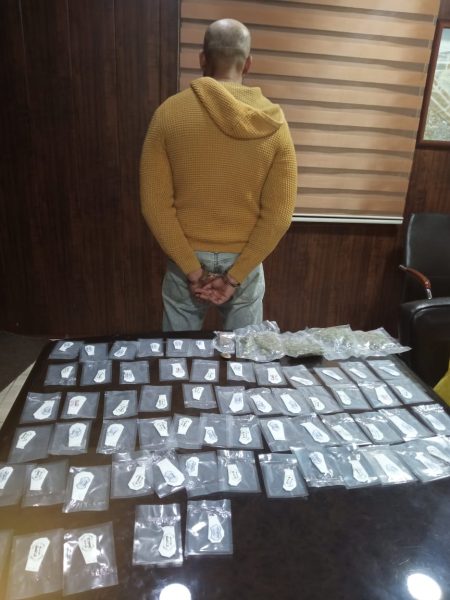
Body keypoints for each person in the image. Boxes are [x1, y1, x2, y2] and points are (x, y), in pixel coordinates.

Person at [140, 18, 297, 331]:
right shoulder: (274, 126)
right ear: (248, 63)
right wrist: (235, 276)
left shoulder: (168, 115)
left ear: (202, 59)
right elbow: (279, 216)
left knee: (178, 354)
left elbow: (154, 205)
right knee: (242, 354)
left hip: (185, 258)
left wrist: (192, 269)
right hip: (244, 261)